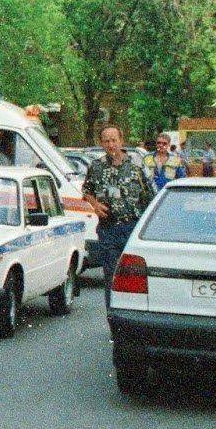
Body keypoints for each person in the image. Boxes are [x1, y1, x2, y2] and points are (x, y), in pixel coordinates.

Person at [82, 125, 153, 310]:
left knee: (134, 278)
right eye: (106, 141)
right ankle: (113, 316)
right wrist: (95, 205)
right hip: (109, 230)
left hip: (133, 228)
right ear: (101, 143)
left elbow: (151, 198)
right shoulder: (96, 167)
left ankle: (134, 316)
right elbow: (86, 191)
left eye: (114, 140)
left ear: (121, 141)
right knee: (111, 276)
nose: (110, 144)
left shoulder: (137, 167)